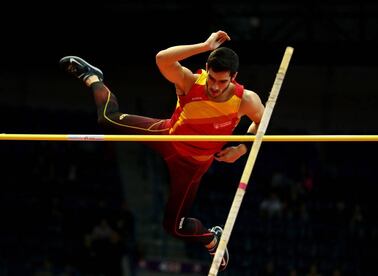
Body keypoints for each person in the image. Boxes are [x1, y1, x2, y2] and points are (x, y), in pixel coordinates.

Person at [59, 30, 265, 271]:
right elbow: (162, 59)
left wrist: (242, 147)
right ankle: (93, 77)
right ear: (206, 70)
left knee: (174, 226)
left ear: (234, 77)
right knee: (107, 119)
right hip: (168, 137)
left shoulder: (246, 100)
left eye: (222, 82)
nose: (216, 87)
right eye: (212, 79)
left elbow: (262, 123)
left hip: (193, 165)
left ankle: (211, 238)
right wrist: (205, 45)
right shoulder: (189, 81)